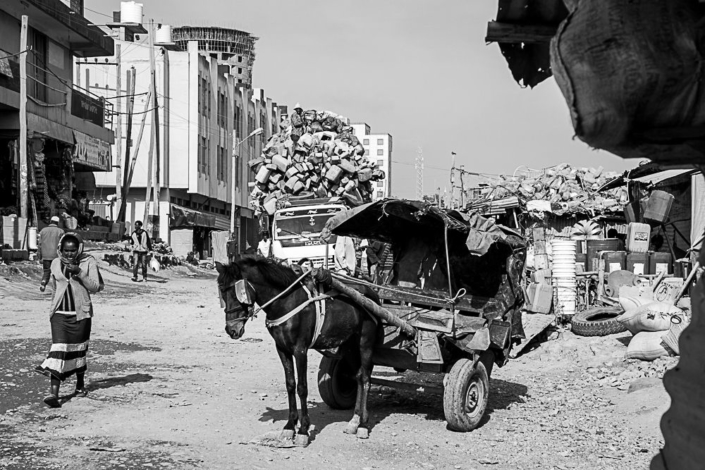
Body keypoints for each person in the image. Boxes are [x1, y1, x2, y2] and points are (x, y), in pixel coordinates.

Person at [35, 232, 102, 408]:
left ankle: (79, 385)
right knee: (58, 350)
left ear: (79, 249)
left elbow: (95, 287)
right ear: (60, 250)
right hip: (59, 316)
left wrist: (79, 273)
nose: (69, 254)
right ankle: (53, 394)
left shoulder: (88, 262)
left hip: (81, 315)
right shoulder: (56, 263)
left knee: (79, 351)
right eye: (65, 250)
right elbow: (55, 288)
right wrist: (52, 310)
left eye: (72, 251)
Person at [38, 216, 64, 292]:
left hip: (45, 256)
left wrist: (40, 257)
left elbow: (39, 244)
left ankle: (43, 282)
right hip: (56, 256)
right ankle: (55, 289)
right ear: (57, 223)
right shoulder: (60, 231)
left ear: (50, 221)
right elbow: (62, 245)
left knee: (46, 271)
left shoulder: (43, 230)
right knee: (56, 272)